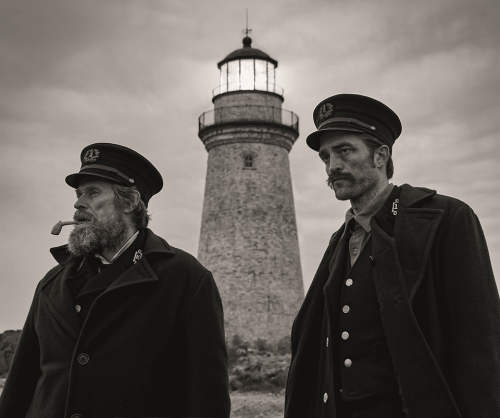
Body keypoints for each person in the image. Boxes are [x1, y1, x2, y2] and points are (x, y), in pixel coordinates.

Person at [284, 94, 500, 418]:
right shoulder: (338, 243)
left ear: (380, 155)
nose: (332, 166)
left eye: (344, 151)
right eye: (326, 156)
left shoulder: (446, 218)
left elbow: (480, 346)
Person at [0, 143, 230, 418]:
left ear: (130, 203)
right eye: (78, 193)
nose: (78, 203)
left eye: (93, 193)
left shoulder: (186, 279)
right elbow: (19, 385)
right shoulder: (53, 283)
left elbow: (208, 396)